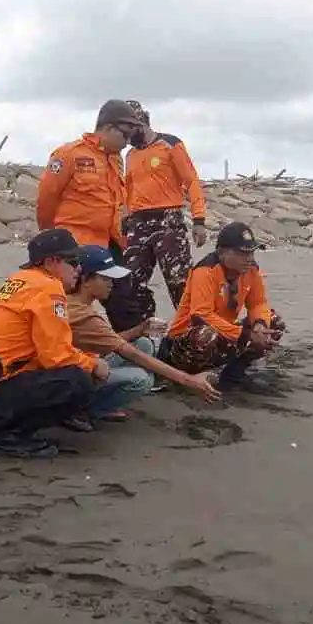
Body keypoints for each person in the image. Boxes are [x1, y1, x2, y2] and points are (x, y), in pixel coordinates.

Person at [0, 229, 106, 459]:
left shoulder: (19, 280)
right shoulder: (49, 288)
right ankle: (9, 437)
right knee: (77, 381)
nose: (79, 269)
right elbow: (56, 357)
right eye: (73, 261)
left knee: (66, 370)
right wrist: (93, 364)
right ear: (51, 262)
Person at [62, 245, 221, 431]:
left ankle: (92, 402)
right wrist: (188, 379)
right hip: (71, 375)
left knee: (143, 344)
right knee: (141, 379)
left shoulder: (75, 302)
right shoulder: (84, 315)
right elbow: (131, 354)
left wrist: (138, 330)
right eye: (105, 278)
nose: (111, 283)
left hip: (76, 366)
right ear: (86, 280)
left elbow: (105, 340)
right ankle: (81, 411)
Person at [103, 99, 209, 332]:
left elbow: (191, 181)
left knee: (179, 282)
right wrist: (123, 221)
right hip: (138, 222)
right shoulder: (129, 155)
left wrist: (199, 219)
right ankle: (145, 330)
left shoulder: (170, 145)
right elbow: (126, 191)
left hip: (168, 219)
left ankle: (194, 333)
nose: (128, 137)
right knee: (131, 282)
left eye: (131, 130)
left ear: (142, 123)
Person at [162, 222, 286, 390]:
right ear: (221, 252)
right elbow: (201, 316)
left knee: (273, 321)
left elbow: (258, 303)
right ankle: (188, 379)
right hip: (182, 342)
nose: (249, 258)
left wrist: (259, 326)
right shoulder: (205, 271)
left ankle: (233, 375)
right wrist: (245, 335)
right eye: (242, 253)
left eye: (251, 252)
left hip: (225, 333)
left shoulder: (251, 270)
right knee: (206, 334)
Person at [36, 99, 145, 250]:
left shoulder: (115, 160)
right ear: (108, 128)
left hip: (107, 244)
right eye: (125, 136)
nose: (127, 143)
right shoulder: (69, 154)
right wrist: (50, 238)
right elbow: (47, 198)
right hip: (73, 245)